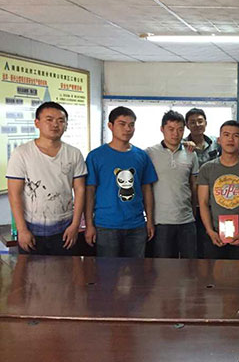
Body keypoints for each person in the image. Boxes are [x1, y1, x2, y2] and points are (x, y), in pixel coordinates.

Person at [6, 102, 87, 255]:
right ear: (37, 123)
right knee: (31, 270)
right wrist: (22, 230)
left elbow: (80, 190)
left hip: (65, 228)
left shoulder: (74, 153)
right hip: (32, 229)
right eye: (49, 120)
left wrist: (75, 225)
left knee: (66, 269)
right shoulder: (21, 153)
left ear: (66, 125)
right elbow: (14, 193)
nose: (55, 125)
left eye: (61, 121)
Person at [85, 106, 158, 258]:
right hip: (106, 225)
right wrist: (89, 224)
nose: (127, 129)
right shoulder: (95, 156)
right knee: (108, 270)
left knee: (136, 269)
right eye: (122, 124)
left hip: (136, 225)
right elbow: (89, 192)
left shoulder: (141, 156)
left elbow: (147, 190)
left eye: (131, 125)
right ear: (110, 126)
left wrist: (149, 221)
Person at [197, 120, 239, 260]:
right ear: (219, 140)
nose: (231, 139)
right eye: (226, 135)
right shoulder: (206, 169)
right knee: (214, 272)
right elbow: (203, 203)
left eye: (236, 136)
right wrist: (210, 231)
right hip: (215, 233)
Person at [145, 110, 199, 259]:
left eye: (180, 129)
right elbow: (145, 187)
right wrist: (149, 219)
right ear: (162, 129)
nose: (175, 134)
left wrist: (193, 213)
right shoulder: (150, 153)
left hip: (187, 221)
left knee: (190, 265)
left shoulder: (191, 153)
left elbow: (194, 185)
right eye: (171, 129)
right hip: (161, 222)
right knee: (164, 266)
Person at [185, 107, 219, 258]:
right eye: (192, 122)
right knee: (194, 243)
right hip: (191, 201)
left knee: (212, 241)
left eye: (200, 121)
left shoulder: (216, 143)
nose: (197, 125)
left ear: (206, 123)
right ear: (187, 125)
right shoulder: (182, 145)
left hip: (213, 201)